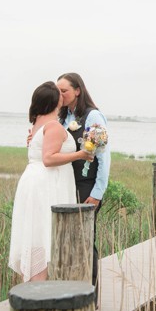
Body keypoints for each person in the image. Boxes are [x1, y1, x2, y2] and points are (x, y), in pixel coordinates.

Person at [8, 81, 91, 282]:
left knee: (37, 233)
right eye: (59, 93)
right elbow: (49, 159)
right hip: (46, 184)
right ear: (55, 100)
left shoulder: (37, 124)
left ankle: (33, 286)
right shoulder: (53, 125)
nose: (63, 95)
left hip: (35, 181)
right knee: (44, 233)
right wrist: (81, 153)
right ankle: (39, 290)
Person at [56, 72, 110, 293]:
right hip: (66, 184)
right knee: (68, 240)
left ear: (77, 90)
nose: (60, 95)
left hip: (87, 185)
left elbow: (103, 157)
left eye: (64, 91)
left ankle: (91, 293)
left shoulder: (93, 116)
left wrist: (98, 192)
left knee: (86, 239)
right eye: (57, 91)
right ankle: (72, 290)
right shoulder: (62, 118)